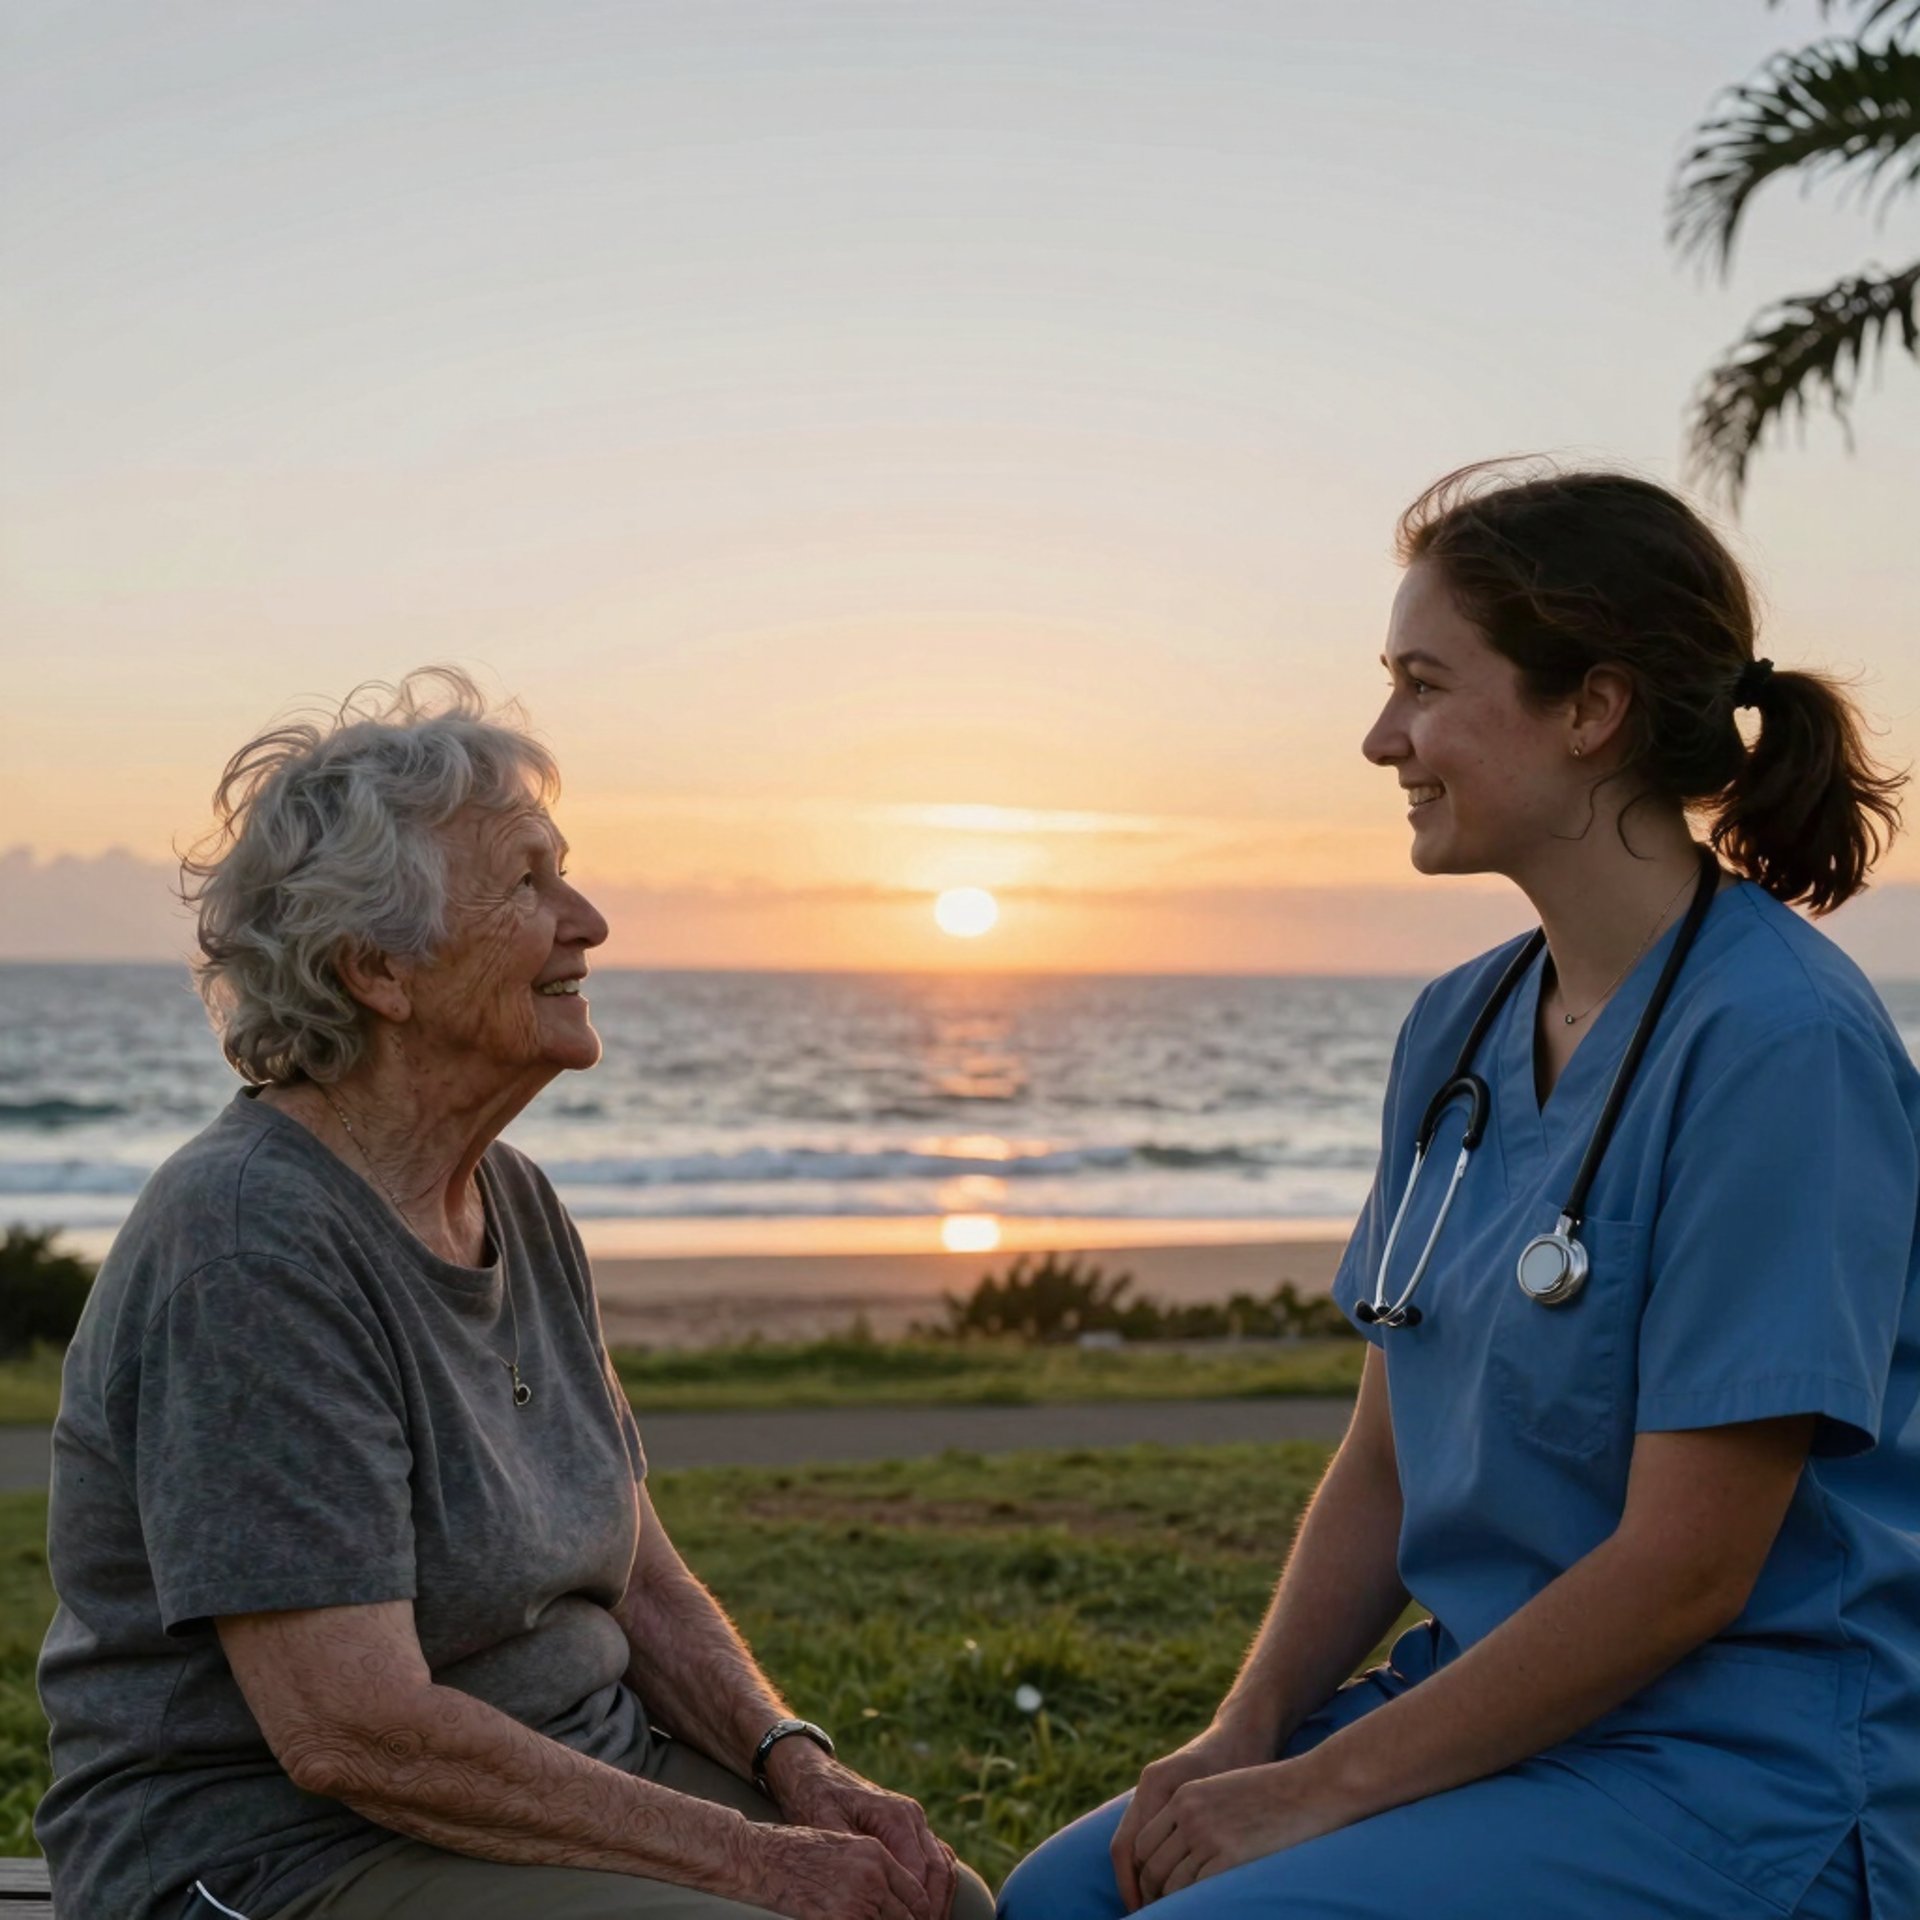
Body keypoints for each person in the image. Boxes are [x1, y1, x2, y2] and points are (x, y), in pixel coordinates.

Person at [997, 462, 1920, 1920]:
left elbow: (1687, 1572)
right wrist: (1246, 1733)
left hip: (1734, 1764)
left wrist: (1317, 1792)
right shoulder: (1458, 1031)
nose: (1382, 739)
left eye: (1423, 686)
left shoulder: (1781, 1045)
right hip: (1490, 1712)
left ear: (1591, 708)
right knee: (1062, 1900)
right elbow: (1384, 1461)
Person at [36, 670, 995, 1920]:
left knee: (948, 1906)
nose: (587, 920)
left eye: (566, 875)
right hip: (282, 1853)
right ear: (378, 968)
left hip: (573, 1773)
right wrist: (756, 1860)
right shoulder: (247, 1248)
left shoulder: (513, 1196)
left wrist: (797, 1768)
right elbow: (353, 1731)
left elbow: (638, 1575)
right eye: (528, 885)